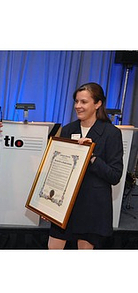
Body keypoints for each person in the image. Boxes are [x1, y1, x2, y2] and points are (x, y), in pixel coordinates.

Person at [48, 82, 123, 250]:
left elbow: (115, 176)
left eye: (83, 102)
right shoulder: (67, 130)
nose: (78, 106)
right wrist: (48, 205)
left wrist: (92, 157)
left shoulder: (111, 133)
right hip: (65, 205)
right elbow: (57, 170)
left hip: (92, 207)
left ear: (98, 104)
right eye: (76, 101)